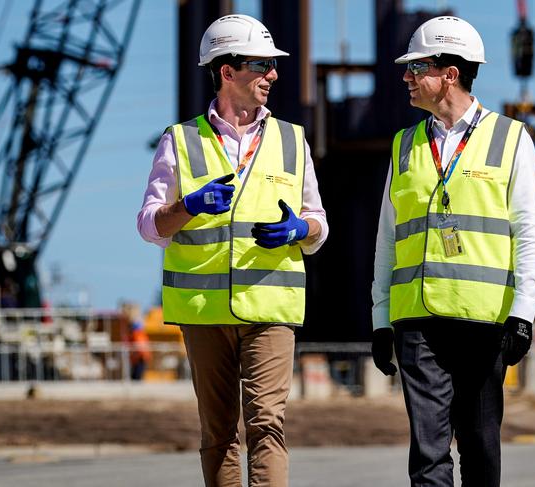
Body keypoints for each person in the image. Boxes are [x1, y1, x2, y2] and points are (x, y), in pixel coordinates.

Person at [137, 14, 328, 487]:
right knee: (219, 431)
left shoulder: (292, 140)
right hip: (203, 312)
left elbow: (320, 225)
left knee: (268, 422)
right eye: (262, 64)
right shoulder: (179, 141)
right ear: (227, 71)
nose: (273, 75)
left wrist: (298, 228)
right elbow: (149, 225)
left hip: (271, 305)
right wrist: (188, 206)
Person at [371, 16, 535, 487]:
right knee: (427, 453)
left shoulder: (511, 139)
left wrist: (524, 312)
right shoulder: (403, 145)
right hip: (417, 320)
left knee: (480, 444)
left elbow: (529, 232)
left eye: (417, 67)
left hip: (483, 320)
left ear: (450, 73)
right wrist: (381, 318)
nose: (406, 77)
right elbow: (388, 238)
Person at [121, 302, 151, 381]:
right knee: (135, 377)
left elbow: (139, 343)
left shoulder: (136, 329)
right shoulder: (135, 328)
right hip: (137, 356)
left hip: (139, 356)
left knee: (136, 378)